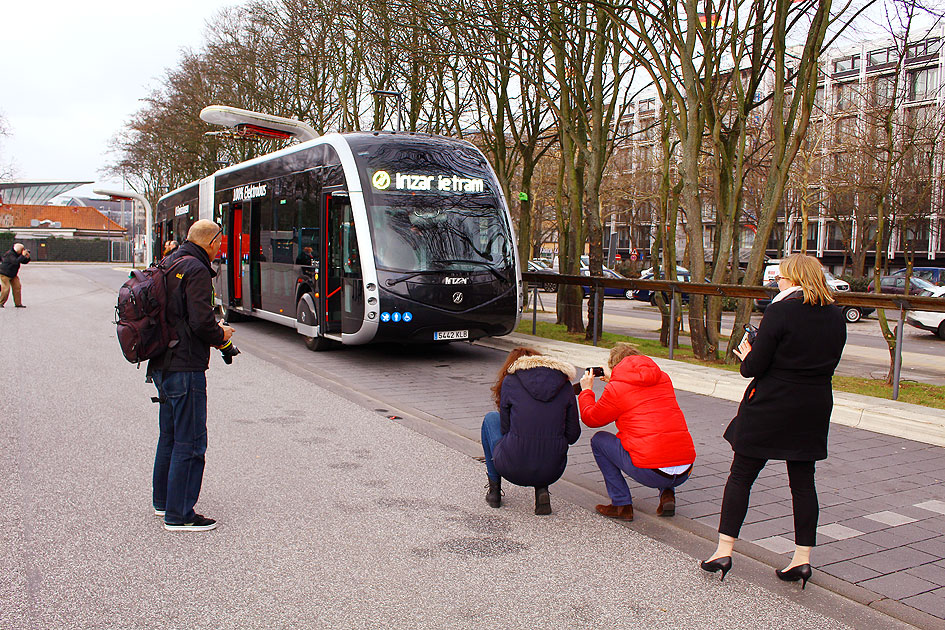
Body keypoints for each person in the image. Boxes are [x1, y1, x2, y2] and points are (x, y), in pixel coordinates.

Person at [701, 253, 846, 587]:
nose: (776, 282)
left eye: (779, 277)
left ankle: (723, 550)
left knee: (741, 477)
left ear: (793, 279)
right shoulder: (836, 317)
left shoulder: (779, 312)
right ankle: (802, 559)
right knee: (803, 482)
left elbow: (753, 369)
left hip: (771, 404)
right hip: (813, 405)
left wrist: (747, 354)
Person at [148, 220, 234, 532]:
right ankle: (180, 514)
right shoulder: (197, 270)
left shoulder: (169, 261)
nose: (221, 247)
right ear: (212, 242)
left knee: (169, 436)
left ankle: (163, 502)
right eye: (220, 242)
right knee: (192, 440)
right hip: (185, 366)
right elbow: (201, 323)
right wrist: (222, 335)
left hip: (161, 362)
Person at [579, 342, 696, 522]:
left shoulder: (617, 390)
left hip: (651, 472)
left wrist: (586, 391)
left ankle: (621, 504)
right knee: (663, 434)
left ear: (613, 366)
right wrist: (614, 381)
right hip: (684, 470)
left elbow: (591, 419)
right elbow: (639, 391)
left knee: (599, 441)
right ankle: (667, 496)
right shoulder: (663, 378)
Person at [481, 347, 580, 515]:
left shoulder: (510, 382)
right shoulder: (565, 384)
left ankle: (494, 491)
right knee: (543, 435)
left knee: (491, 419)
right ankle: (542, 490)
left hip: (512, 467)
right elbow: (573, 435)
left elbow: (505, 429)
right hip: (553, 468)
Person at [0, 243, 31, 308]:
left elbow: (23, 261)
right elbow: (15, 261)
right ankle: (1, 303)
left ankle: (18, 304)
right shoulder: (10, 254)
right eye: (22, 250)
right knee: (6, 289)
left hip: (13, 274)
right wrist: (22, 255)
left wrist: (27, 257)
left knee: (17, 287)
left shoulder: (18, 254)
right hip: (4, 274)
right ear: (18, 250)